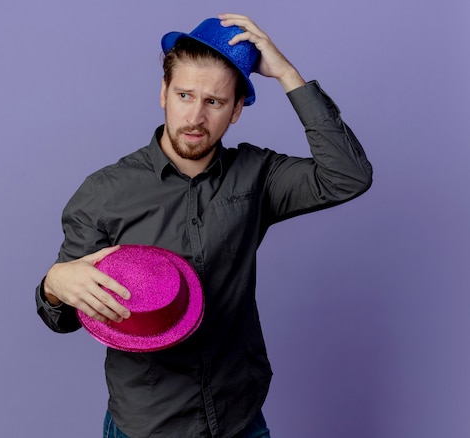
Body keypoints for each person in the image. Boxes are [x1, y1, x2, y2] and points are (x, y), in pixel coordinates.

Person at [35, 13, 372, 438]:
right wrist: (54, 284)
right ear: (163, 93)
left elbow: (349, 176)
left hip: (240, 418)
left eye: (213, 101)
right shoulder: (105, 193)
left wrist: (287, 74)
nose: (195, 117)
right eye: (184, 95)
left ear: (235, 111)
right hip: (148, 426)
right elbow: (63, 317)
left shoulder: (257, 175)